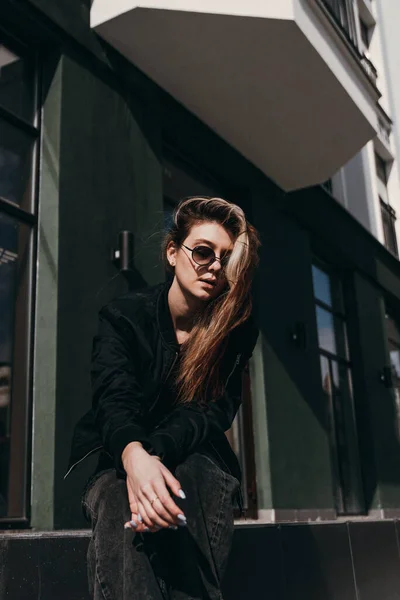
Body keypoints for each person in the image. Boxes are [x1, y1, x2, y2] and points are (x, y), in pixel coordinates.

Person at [65, 196, 260, 599]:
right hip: (120, 455)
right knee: (122, 492)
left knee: (189, 481)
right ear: (173, 252)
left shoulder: (234, 332)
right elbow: (113, 398)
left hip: (196, 456)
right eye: (203, 252)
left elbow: (211, 411)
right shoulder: (123, 317)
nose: (214, 267)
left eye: (225, 259)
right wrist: (136, 457)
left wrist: (153, 455)